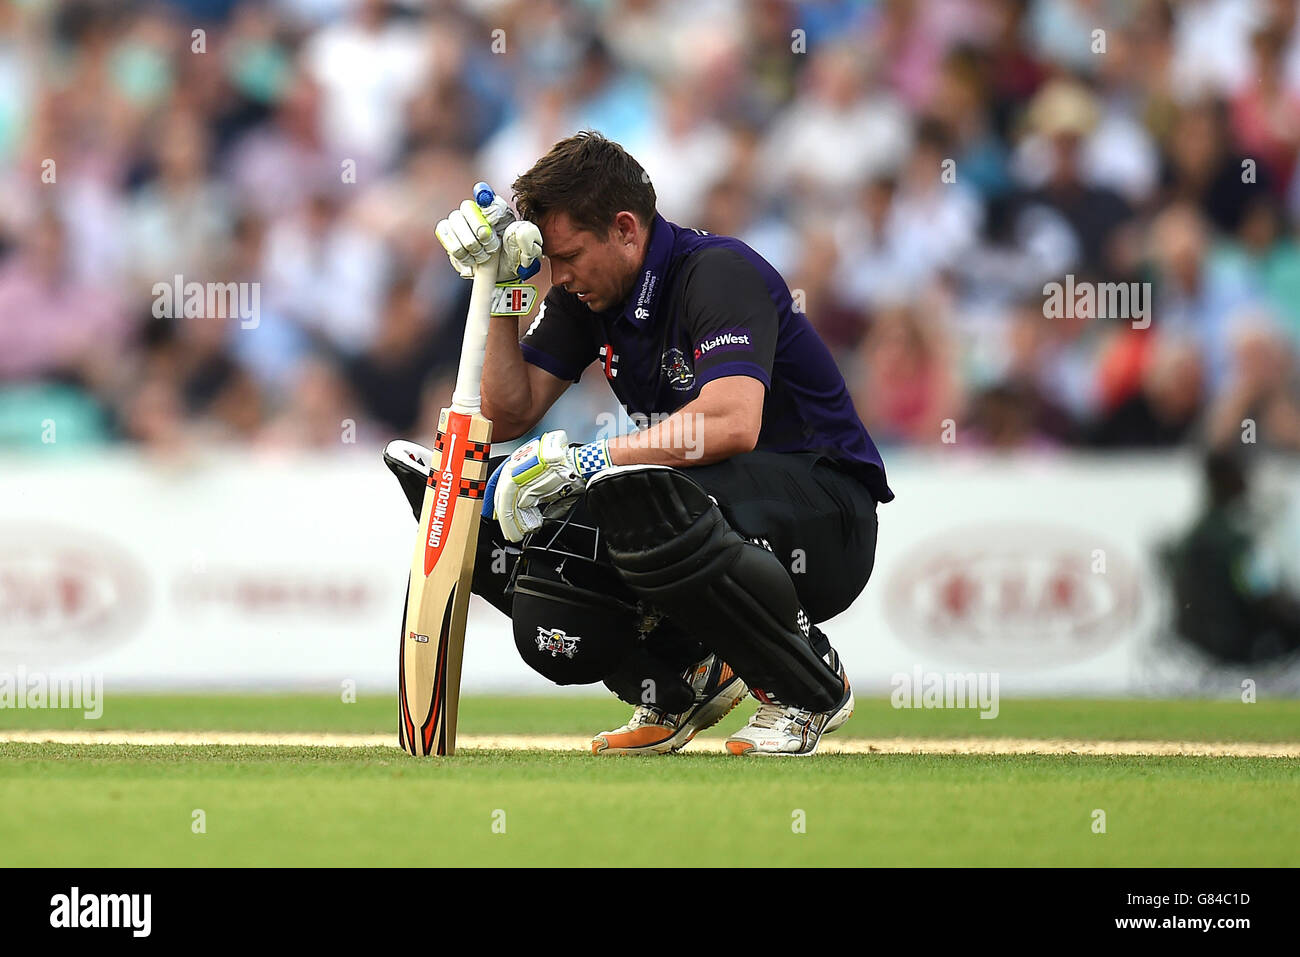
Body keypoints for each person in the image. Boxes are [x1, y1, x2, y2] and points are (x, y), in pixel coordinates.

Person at [386, 131, 892, 756]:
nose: (560, 278)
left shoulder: (717, 272)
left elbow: (733, 422)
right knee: (507, 518)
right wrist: (500, 287)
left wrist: (591, 461)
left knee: (634, 495)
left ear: (625, 229)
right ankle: (680, 681)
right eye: (549, 263)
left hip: (824, 514)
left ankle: (808, 683)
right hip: (711, 507)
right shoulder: (585, 295)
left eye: (568, 257)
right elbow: (507, 411)